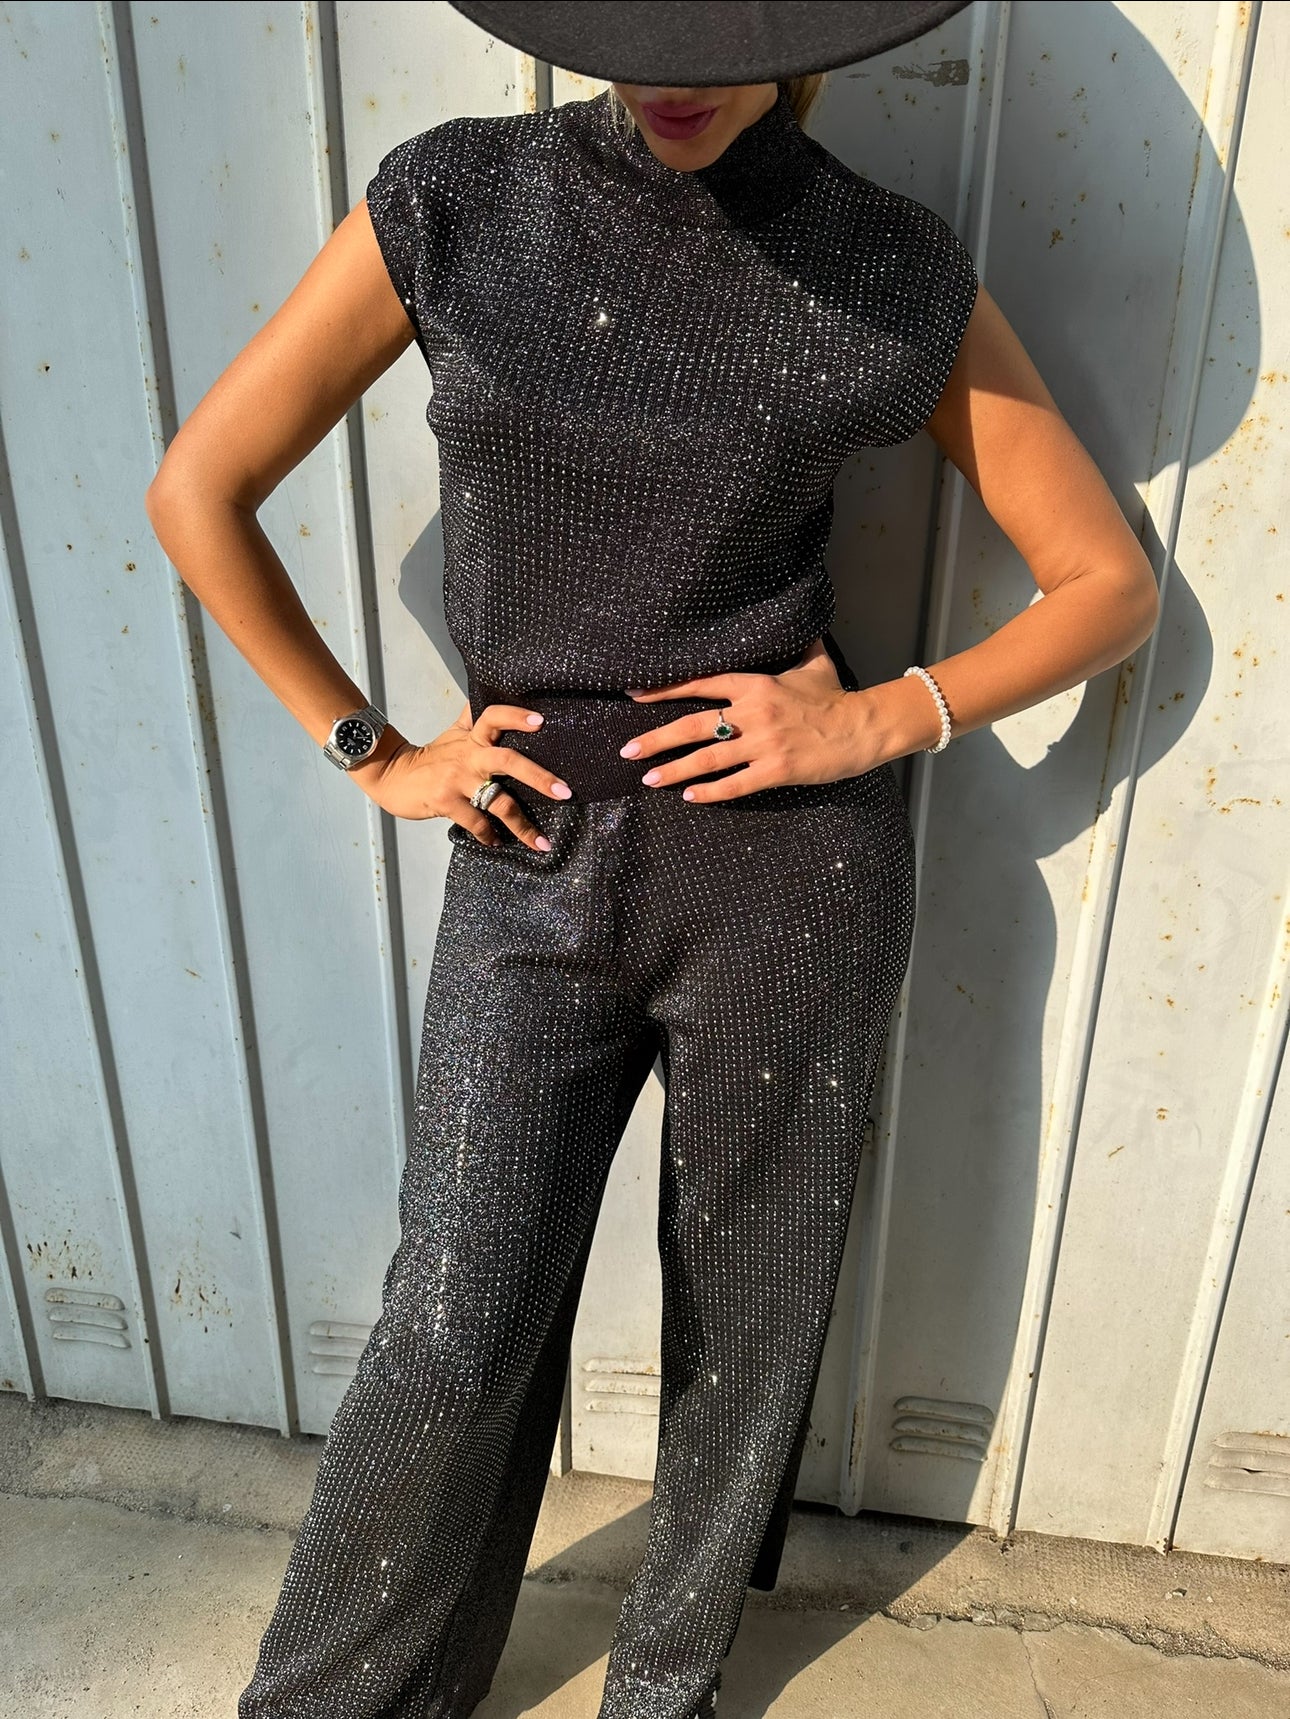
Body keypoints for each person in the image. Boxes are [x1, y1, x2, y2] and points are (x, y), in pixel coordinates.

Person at [144, 3, 1159, 1714]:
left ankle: (664, 1690)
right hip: (525, 845)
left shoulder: (882, 264)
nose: (672, 72)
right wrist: (375, 751)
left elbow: (1106, 583)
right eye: (633, 21)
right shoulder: (455, 203)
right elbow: (200, 488)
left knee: (746, 1326)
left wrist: (877, 718)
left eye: (718, 25)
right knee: (453, 1314)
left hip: (788, 878)